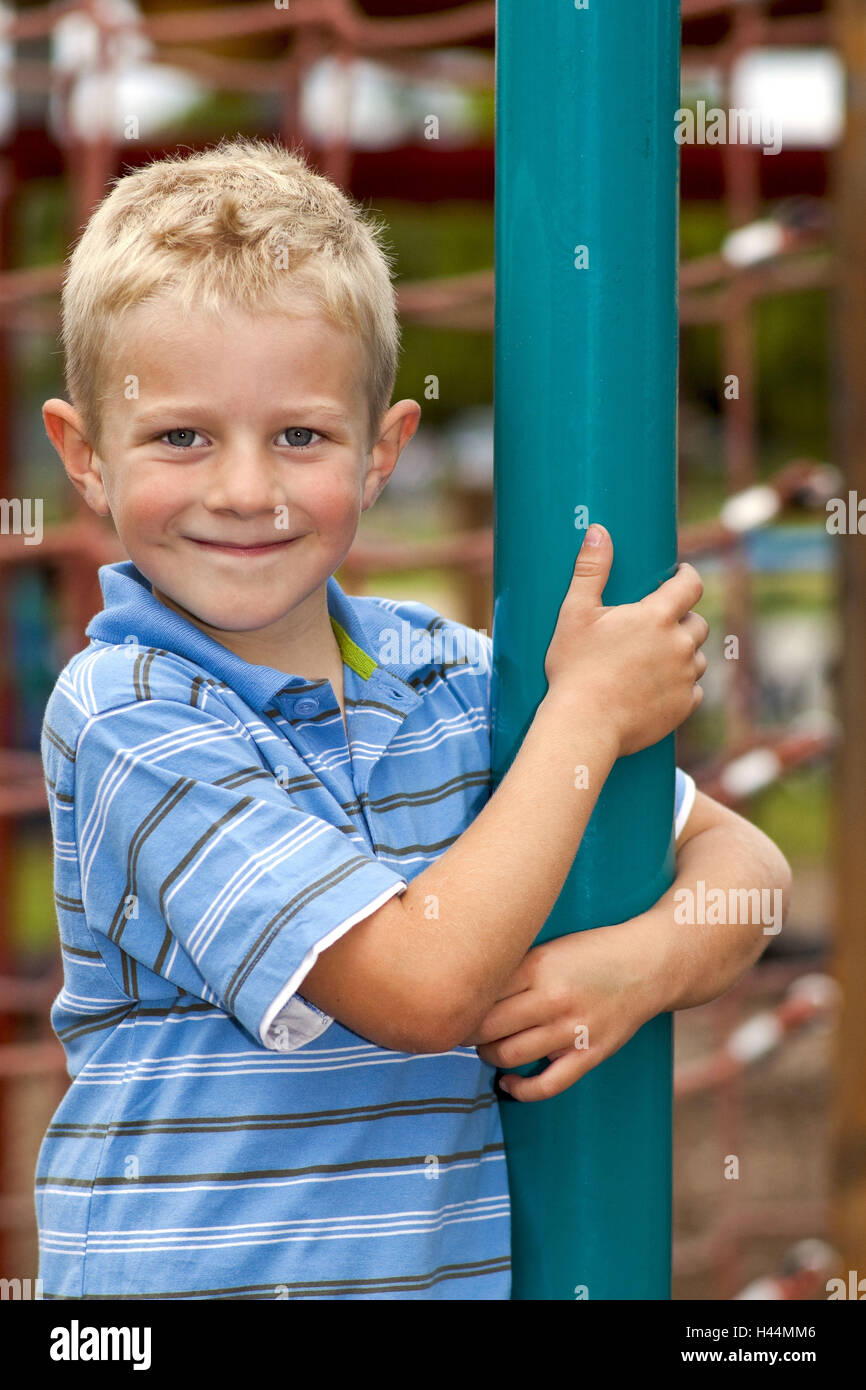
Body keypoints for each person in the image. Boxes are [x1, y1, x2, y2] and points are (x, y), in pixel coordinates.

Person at [35, 136, 791, 1299]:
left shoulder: (445, 672)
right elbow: (417, 987)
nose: (246, 489)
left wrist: (638, 965)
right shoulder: (129, 710)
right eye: (181, 435)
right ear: (84, 457)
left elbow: (745, 867)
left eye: (299, 435)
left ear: (382, 450)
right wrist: (583, 718)